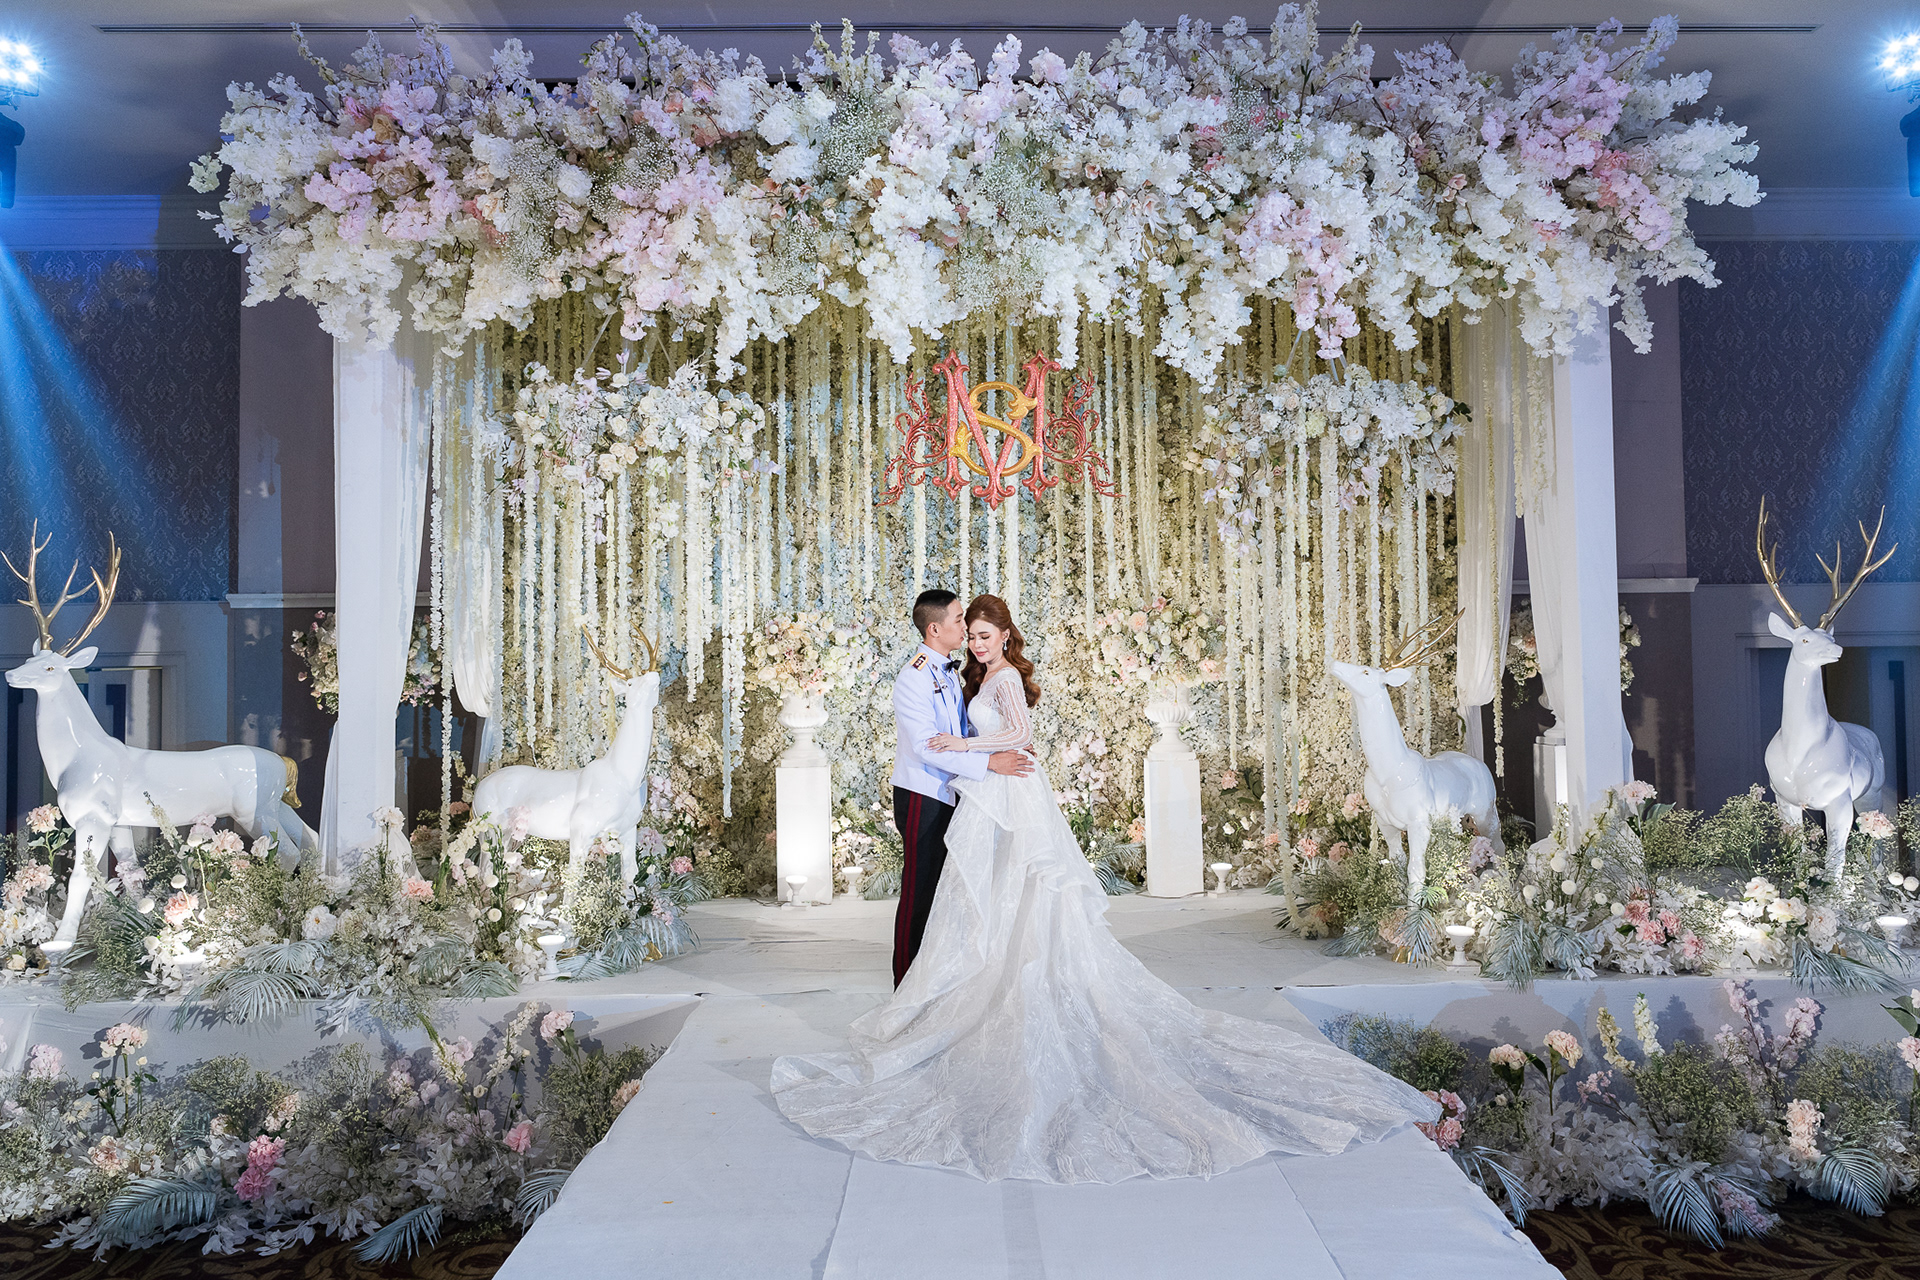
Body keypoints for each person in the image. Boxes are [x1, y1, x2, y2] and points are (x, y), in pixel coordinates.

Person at [772, 594, 1439, 1183]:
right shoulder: (936, 673)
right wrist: (978, 752)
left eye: (982, 634)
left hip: (1000, 787)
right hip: (970, 791)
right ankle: (930, 994)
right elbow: (935, 744)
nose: (973, 642)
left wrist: (975, 750)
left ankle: (968, 990)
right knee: (958, 898)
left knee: (1011, 893)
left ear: (1003, 636)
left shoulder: (998, 677)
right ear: (946, 633)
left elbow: (1015, 735)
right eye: (966, 632)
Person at [885, 588, 1033, 987]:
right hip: (924, 794)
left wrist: (1003, 744)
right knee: (919, 892)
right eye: (957, 620)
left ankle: (937, 980)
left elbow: (962, 730)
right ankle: (905, 985)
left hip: (955, 790)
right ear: (934, 629)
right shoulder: (914, 676)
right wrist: (989, 762)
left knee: (946, 892)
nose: (965, 628)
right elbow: (927, 746)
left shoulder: (949, 670)